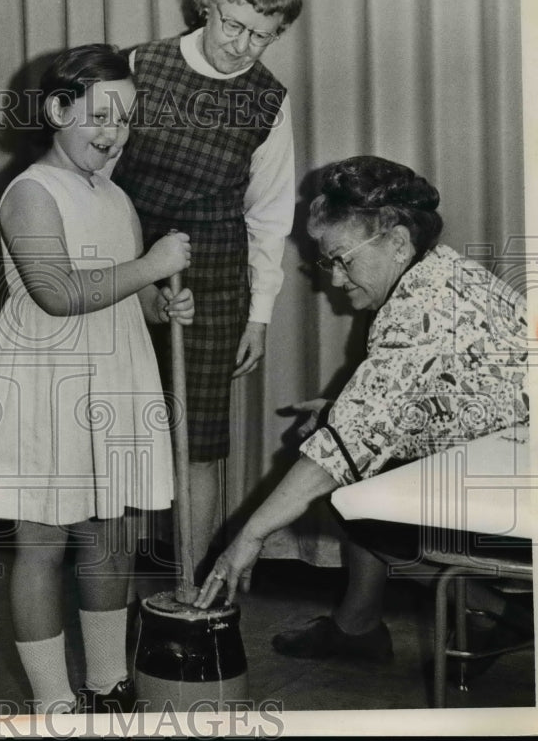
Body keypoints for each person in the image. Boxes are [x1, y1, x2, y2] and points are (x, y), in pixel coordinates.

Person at [194, 156, 530, 664]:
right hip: (515, 466)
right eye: (325, 262)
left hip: (520, 497)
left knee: (354, 494)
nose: (332, 279)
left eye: (342, 259)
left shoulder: (414, 313)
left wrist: (247, 538)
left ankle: (498, 611)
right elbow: (445, 402)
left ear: (397, 243)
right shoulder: (445, 272)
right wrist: (339, 411)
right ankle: (363, 626)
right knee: (360, 460)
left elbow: (340, 452)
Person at [0, 45, 194, 714]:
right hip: (46, 376)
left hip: (111, 372)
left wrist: (159, 300)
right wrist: (149, 268)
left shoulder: (115, 195)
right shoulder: (29, 192)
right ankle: (54, 701)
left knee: (110, 532)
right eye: (99, 114)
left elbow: (124, 290)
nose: (113, 130)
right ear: (58, 109)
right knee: (43, 539)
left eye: (125, 118)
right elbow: (57, 292)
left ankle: (108, 683)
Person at [110, 0, 304, 576]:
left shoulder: (269, 100)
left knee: (198, 450)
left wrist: (259, 314)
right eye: (235, 26)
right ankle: (112, 603)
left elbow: (269, 215)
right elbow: (97, 174)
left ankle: (189, 595)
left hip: (216, 278)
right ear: (208, 2)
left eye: (263, 37)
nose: (245, 47)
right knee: (118, 437)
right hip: (125, 262)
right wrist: (132, 276)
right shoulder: (143, 64)